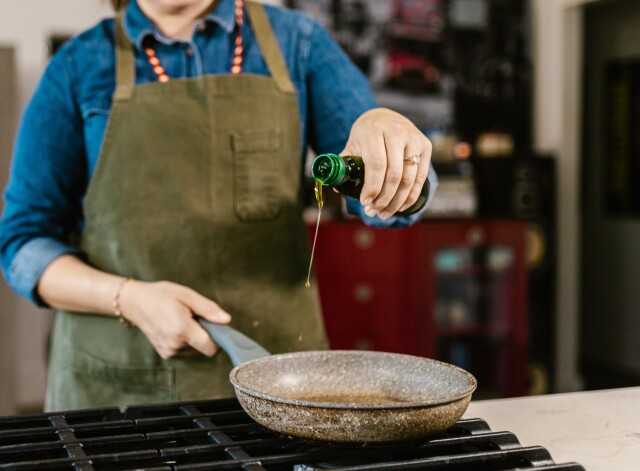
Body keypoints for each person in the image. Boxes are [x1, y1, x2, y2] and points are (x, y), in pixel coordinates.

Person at [0, 0, 435, 412]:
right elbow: (22, 243)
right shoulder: (77, 66)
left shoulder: (298, 44)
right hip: (118, 395)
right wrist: (128, 298)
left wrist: (389, 141)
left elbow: (386, 196)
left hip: (275, 389)